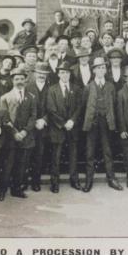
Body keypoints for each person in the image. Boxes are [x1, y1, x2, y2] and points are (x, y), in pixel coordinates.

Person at [82, 57, 123, 192]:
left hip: (106, 122)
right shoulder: (89, 87)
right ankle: (89, 180)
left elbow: (115, 105)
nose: (101, 70)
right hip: (92, 123)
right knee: (89, 152)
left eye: (103, 68)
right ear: (93, 70)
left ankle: (111, 178)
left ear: (106, 70)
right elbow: (84, 106)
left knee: (107, 151)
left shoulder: (110, 86)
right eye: (98, 68)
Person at [0, 68, 37, 200]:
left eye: (21, 79)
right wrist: (15, 133)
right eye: (16, 79)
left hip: (26, 137)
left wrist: (25, 131)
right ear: (12, 80)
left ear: (25, 80)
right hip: (11, 138)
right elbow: (5, 118)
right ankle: (2, 191)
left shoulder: (31, 97)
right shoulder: (5, 98)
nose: (19, 81)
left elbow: (33, 116)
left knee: (21, 165)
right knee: (8, 165)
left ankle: (17, 189)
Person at [46, 61, 82, 192]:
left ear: (70, 74)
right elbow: (51, 110)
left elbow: (79, 107)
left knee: (73, 155)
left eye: (66, 72)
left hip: (72, 127)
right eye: (62, 72)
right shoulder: (52, 90)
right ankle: (54, 182)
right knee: (56, 156)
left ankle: (74, 180)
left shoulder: (76, 89)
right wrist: (63, 123)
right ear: (58, 74)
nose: (64, 75)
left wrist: (72, 121)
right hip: (58, 128)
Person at [25, 62, 50, 192]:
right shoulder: (28, 87)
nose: (42, 76)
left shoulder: (50, 88)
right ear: (35, 73)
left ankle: (36, 181)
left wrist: (44, 120)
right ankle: (24, 181)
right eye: (39, 73)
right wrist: (33, 121)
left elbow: (52, 108)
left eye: (44, 74)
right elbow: (25, 107)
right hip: (30, 126)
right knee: (26, 154)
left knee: (39, 155)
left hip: (43, 127)